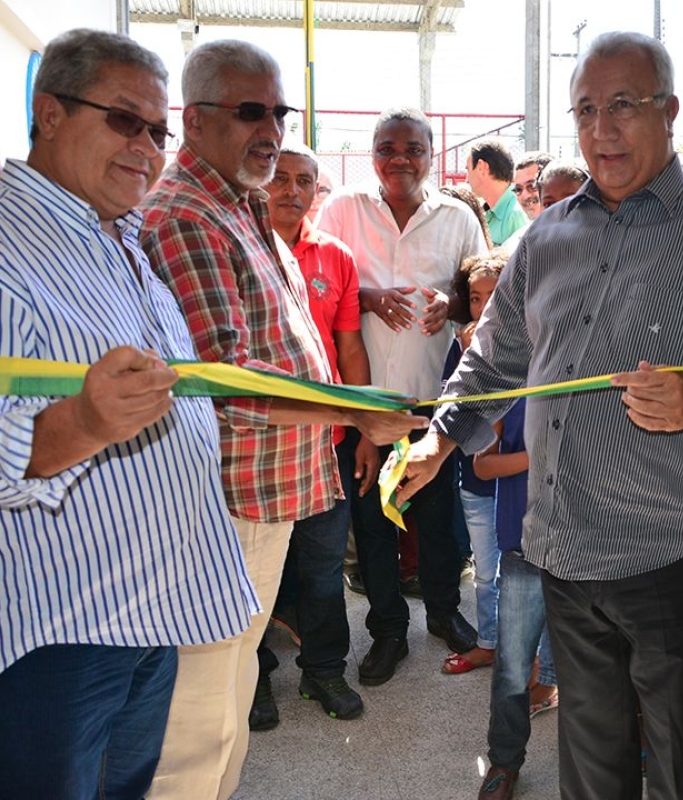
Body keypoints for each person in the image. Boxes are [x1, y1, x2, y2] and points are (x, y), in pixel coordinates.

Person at [395, 31, 683, 800]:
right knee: (592, 765)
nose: (601, 128)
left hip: (670, 553)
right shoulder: (546, 238)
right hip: (562, 548)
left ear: (670, 111)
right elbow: (492, 361)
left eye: (623, 105)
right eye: (585, 110)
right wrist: (438, 439)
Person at [0, 28, 262, 798]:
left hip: (143, 613)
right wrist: (87, 424)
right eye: (126, 120)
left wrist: (346, 415)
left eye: (160, 130)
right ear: (50, 114)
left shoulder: (123, 244)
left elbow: (178, 398)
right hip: (50, 630)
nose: (148, 146)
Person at [137, 41, 425, 798]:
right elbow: (225, 378)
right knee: (198, 718)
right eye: (249, 112)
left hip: (267, 494)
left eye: (279, 112)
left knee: (225, 701)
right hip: (225, 505)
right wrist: (356, 413)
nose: (270, 130)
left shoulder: (240, 205)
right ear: (193, 121)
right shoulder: (189, 217)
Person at [317, 107, 486, 687]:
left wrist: (453, 305)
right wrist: (365, 296)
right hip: (360, 404)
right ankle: (388, 628)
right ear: (372, 153)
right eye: (387, 147)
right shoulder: (342, 208)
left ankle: (442, 611)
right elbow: (317, 283)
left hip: (432, 403)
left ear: (431, 154)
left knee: (437, 519)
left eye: (412, 148)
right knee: (370, 522)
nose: (399, 159)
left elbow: (482, 293)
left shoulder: (458, 217)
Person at [247, 140, 380, 731]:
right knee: (252, 574)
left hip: (325, 448)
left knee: (323, 569)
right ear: (259, 182)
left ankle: (323, 668)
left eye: (305, 181)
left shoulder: (335, 257)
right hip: (253, 450)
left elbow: (349, 346)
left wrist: (369, 429)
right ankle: (251, 679)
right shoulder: (238, 251)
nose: (292, 190)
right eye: (281, 177)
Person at [439, 252, 508, 678]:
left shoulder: (531, 344)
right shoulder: (461, 346)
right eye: (476, 298)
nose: (484, 308)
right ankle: (488, 643)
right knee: (486, 573)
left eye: (494, 296)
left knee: (524, 577)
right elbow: (451, 413)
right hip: (476, 483)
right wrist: (468, 358)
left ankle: (529, 658)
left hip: (519, 479)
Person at [467, 139, 529, 245]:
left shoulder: (515, 215)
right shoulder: (488, 211)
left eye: (468, 169)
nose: (467, 179)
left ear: (481, 167)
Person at [512, 151, 553, 221]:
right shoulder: (523, 231)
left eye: (532, 186)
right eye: (518, 189)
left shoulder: (575, 228)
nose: (525, 196)